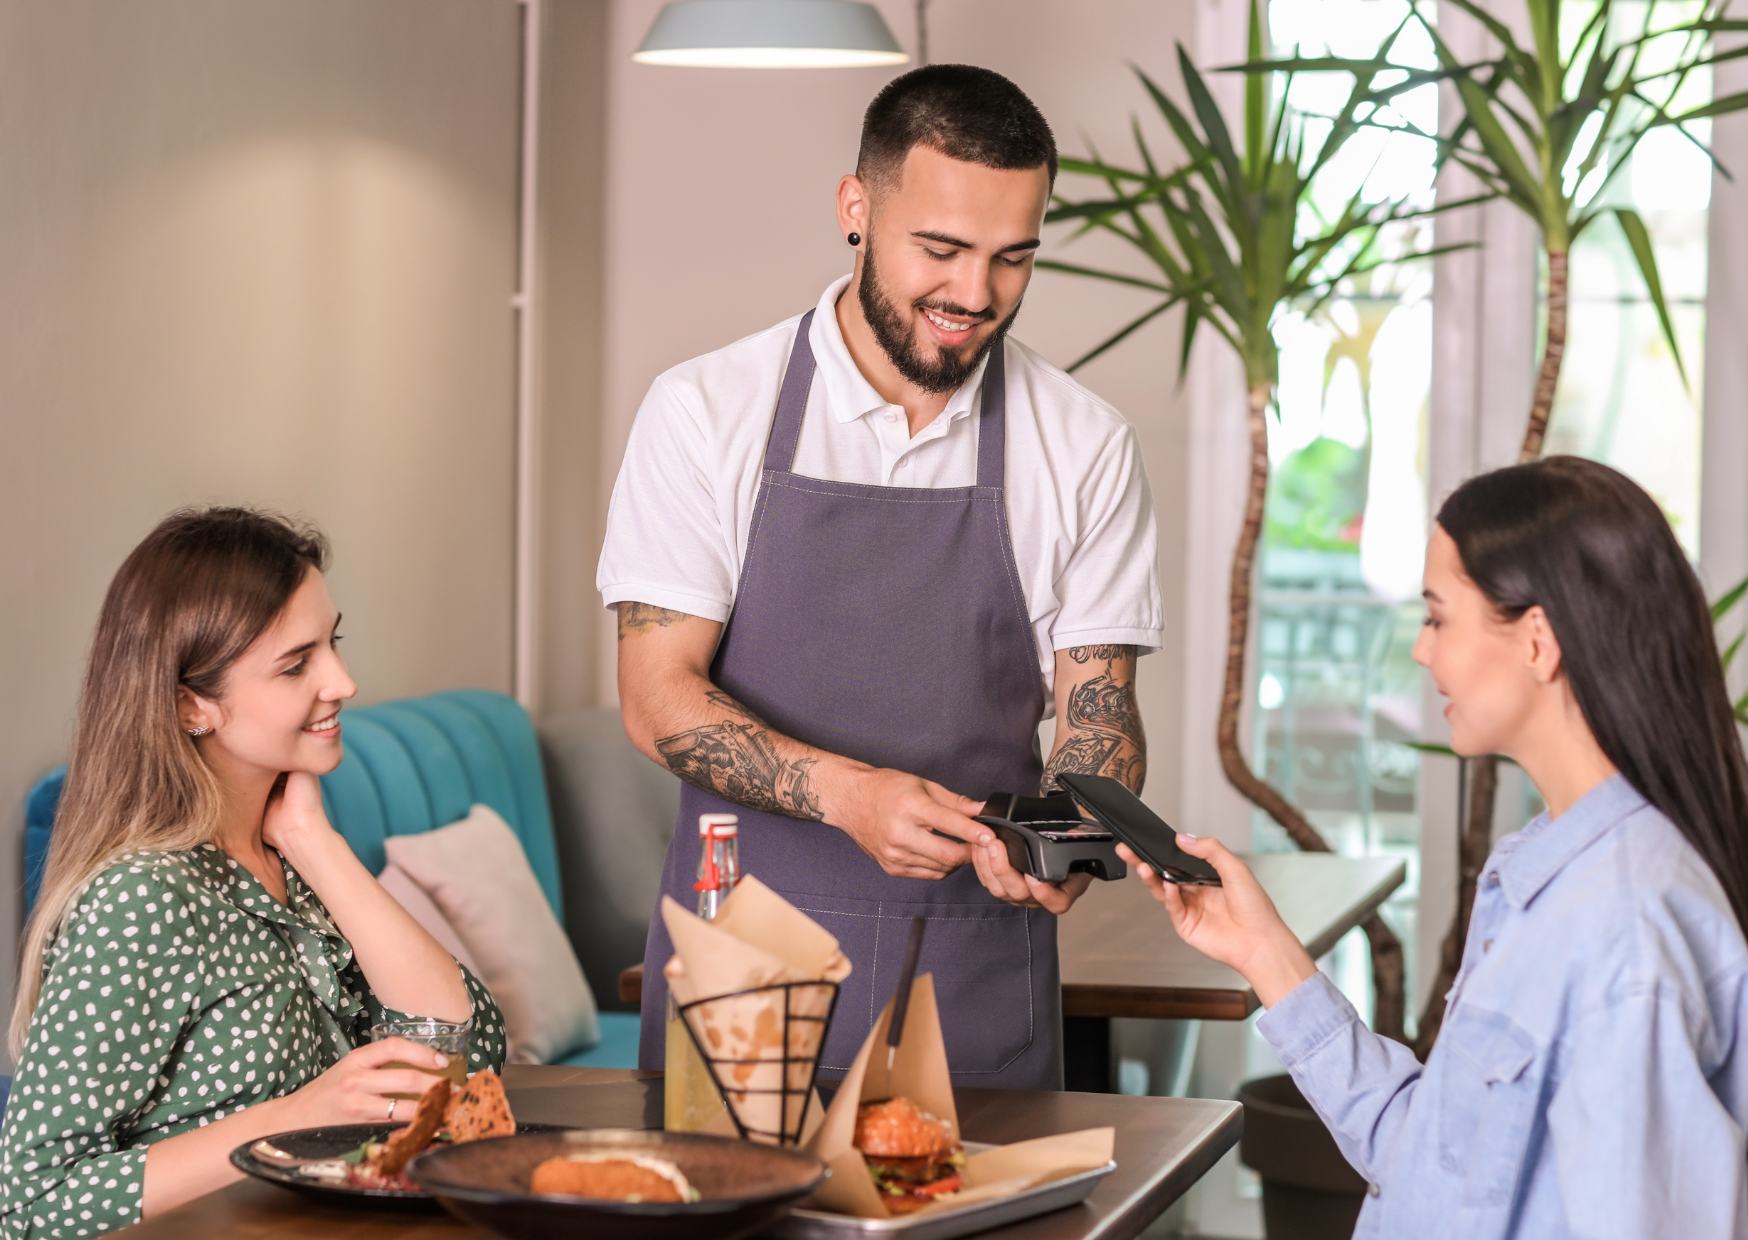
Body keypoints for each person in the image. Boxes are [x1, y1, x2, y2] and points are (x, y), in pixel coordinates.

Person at [599, 64, 1163, 1090]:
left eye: (1011, 259)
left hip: (973, 967)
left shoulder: (1083, 445)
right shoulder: (703, 413)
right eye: (939, 249)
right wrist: (850, 796)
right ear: (854, 209)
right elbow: (655, 699)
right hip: (742, 958)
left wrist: (1073, 835)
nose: (972, 295)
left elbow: (1100, 713)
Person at [1123, 456, 1748, 1238]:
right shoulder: (1540, 875)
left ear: (1536, 642)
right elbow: (1426, 1157)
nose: (1422, 652)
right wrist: (1264, 952)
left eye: (1437, 617)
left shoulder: (1626, 931)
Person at [0, 508, 507, 1237]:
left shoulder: (290, 864)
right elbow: (32, 1201)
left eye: (333, 643)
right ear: (191, 704)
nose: (344, 681)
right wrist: (291, 1120)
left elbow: (464, 1058)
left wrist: (314, 842)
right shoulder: (142, 898)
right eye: (296, 664)